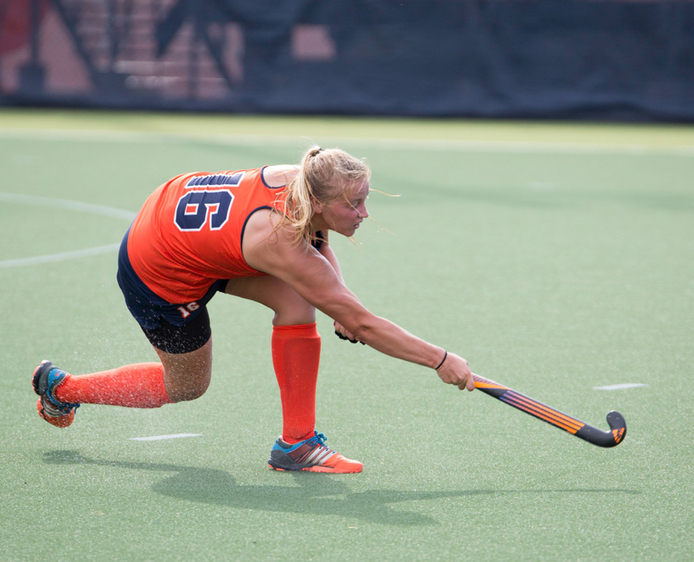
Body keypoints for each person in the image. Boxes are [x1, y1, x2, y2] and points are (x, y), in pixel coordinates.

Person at [32, 146, 475, 474]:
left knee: (299, 299)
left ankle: (296, 444)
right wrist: (439, 359)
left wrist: (340, 300)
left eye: (364, 198)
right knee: (186, 386)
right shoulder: (278, 238)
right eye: (353, 203)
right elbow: (359, 319)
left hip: (185, 228)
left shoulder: (298, 179)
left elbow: (316, 244)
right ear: (319, 201)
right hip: (157, 271)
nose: (363, 212)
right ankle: (63, 388)